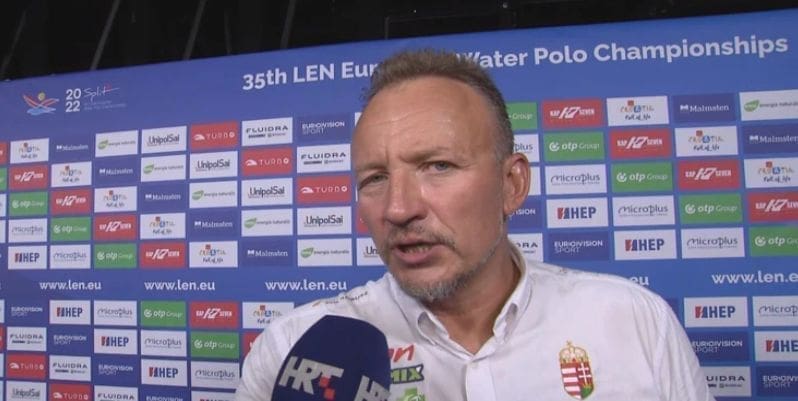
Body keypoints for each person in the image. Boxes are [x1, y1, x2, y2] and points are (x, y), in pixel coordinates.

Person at [236, 49, 715, 401]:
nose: (399, 209)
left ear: (512, 184)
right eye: (375, 178)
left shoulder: (634, 322)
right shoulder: (291, 352)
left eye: (437, 166)